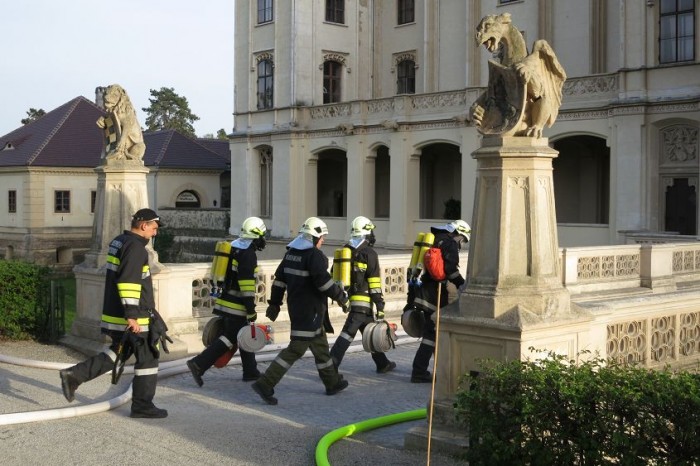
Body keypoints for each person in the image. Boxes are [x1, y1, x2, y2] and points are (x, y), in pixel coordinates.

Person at [59, 208, 170, 418]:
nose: (155, 233)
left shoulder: (119, 241)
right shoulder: (136, 249)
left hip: (115, 313)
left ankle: (74, 375)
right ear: (144, 225)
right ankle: (142, 406)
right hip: (133, 316)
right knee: (148, 358)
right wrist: (133, 316)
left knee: (119, 351)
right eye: (154, 228)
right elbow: (128, 282)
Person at [252, 217, 350, 405]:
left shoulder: (290, 254)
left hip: (299, 309)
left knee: (320, 347)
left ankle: (332, 382)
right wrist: (341, 297)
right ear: (314, 237)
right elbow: (324, 283)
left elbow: (279, 280)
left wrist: (275, 303)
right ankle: (265, 383)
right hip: (310, 311)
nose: (323, 241)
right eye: (321, 237)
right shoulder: (314, 256)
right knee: (297, 348)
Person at [187, 217, 268, 386]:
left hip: (224, 301)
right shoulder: (248, 254)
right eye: (262, 236)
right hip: (237, 305)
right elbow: (246, 286)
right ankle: (198, 364)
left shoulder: (234, 247)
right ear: (256, 236)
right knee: (230, 337)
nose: (263, 240)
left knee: (243, 335)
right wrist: (251, 309)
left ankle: (250, 371)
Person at [329, 216, 396, 373]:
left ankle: (382, 363)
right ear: (366, 232)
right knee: (347, 334)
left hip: (349, 299)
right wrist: (380, 305)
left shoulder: (344, 251)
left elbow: (333, 274)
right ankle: (331, 366)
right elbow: (374, 283)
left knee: (369, 331)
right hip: (363, 302)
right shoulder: (369, 253)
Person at [410, 219, 471, 383]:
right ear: (457, 233)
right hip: (435, 293)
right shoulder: (449, 243)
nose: (461, 243)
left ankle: (434, 368)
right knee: (431, 334)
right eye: (463, 239)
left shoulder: (435, 239)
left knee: (433, 332)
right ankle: (419, 371)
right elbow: (451, 272)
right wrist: (463, 285)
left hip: (425, 291)